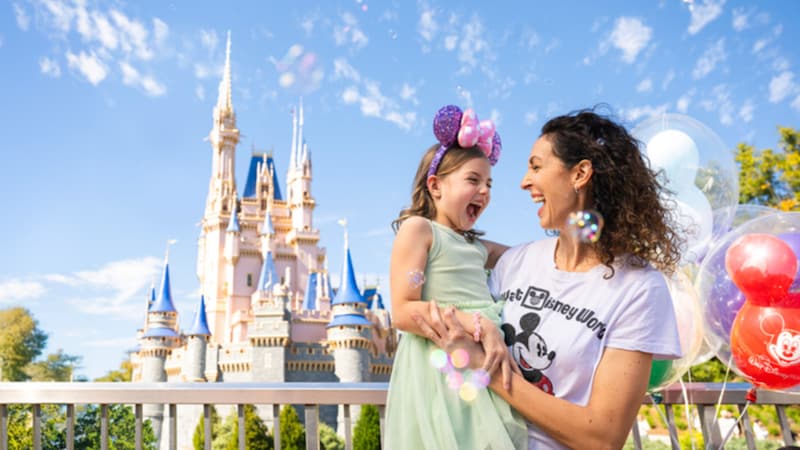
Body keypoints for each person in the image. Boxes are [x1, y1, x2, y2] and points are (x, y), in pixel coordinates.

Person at [414, 107, 684, 449]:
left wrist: (487, 369)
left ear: (580, 173)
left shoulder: (639, 288)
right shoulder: (516, 262)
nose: (524, 181)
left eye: (536, 166)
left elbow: (602, 436)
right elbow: (443, 245)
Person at [384, 105, 528, 449]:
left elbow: (527, 258)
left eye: (489, 183)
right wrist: (481, 324)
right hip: (441, 370)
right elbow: (403, 311)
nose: (485, 191)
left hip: (484, 365)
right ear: (435, 186)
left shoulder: (476, 245)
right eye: (473, 180)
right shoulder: (419, 230)